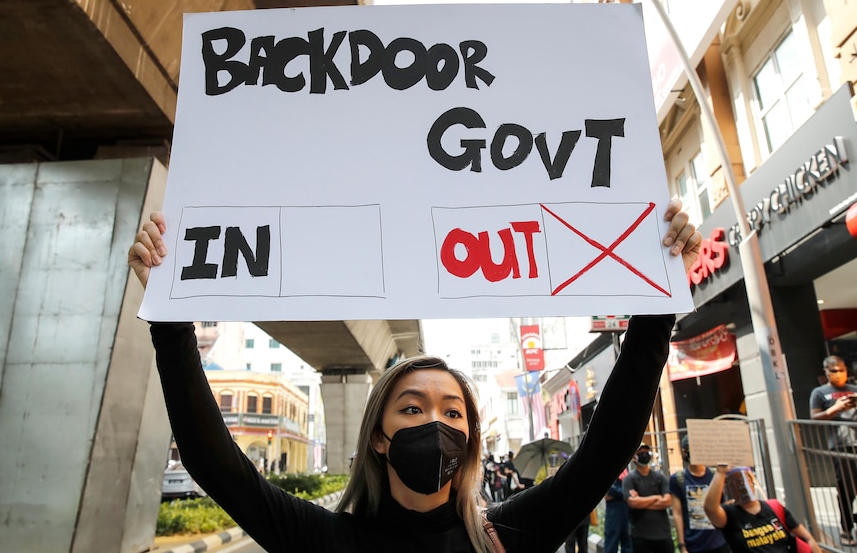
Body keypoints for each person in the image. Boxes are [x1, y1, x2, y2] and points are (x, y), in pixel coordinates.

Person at [127, 200, 700, 552]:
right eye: (411, 408)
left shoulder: (507, 537)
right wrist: (171, 323)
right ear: (378, 435)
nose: (435, 422)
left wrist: (658, 305)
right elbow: (215, 464)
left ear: (472, 437)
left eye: (453, 412)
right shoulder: (324, 538)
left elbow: (606, 449)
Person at [703, 465, 821, 553]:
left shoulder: (774, 507)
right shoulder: (729, 514)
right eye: (735, 483)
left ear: (752, 483)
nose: (742, 486)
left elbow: (808, 538)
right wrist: (721, 472)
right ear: (729, 489)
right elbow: (710, 508)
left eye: (745, 480)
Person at [809, 354, 857, 545]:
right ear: (826, 372)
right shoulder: (820, 393)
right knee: (846, 490)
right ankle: (846, 529)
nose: (838, 374)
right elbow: (814, 417)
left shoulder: (854, 389)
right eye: (833, 371)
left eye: (841, 370)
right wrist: (835, 409)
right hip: (840, 446)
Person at [669, 435, 730, 553]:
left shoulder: (715, 475)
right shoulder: (678, 479)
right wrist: (682, 545)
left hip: (719, 541)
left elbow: (725, 504)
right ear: (685, 452)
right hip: (693, 543)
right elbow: (677, 513)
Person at [623, 444, 673, 553]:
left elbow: (668, 501)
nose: (644, 455)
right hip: (640, 536)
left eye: (646, 452)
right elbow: (633, 503)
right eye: (640, 453)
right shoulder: (629, 480)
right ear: (634, 457)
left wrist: (642, 501)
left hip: (662, 534)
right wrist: (657, 497)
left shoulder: (660, 478)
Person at [604, 469, 633, 553]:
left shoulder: (627, 469)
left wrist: (622, 494)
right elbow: (610, 490)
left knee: (628, 545)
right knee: (611, 544)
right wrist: (628, 494)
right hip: (614, 513)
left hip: (627, 511)